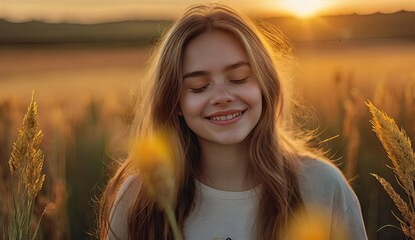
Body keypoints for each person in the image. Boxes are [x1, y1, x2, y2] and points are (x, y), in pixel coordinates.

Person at [99, 3, 368, 240]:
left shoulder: (322, 187)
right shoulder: (138, 199)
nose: (222, 97)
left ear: (264, 84)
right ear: (175, 103)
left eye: (239, 79)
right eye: (199, 86)